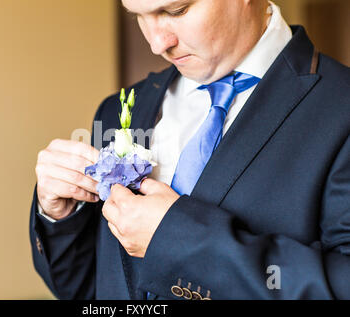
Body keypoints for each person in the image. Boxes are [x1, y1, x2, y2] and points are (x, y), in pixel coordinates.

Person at [30, 0, 350, 300]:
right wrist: (61, 218)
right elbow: (93, 290)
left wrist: (178, 240)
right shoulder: (117, 110)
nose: (157, 44)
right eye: (138, 15)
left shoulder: (341, 106)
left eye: (177, 10)